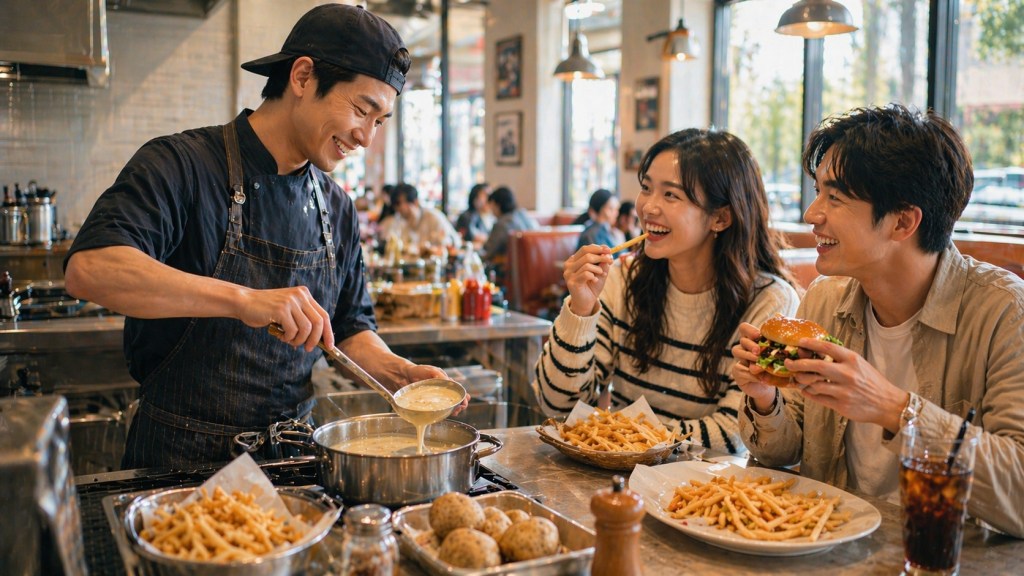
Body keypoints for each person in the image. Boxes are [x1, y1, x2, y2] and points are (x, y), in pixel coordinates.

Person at [62, 4, 458, 469]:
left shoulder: (337, 207)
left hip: (294, 462)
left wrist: (399, 374)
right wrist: (244, 299)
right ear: (303, 77)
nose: (366, 137)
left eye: (379, 121)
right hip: (178, 463)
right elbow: (91, 270)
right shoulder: (182, 164)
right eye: (361, 110)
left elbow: (349, 328)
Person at [730, 104, 1024, 537]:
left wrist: (893, 408)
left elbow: (1018, 489)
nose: (812, 214)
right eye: (817, 191)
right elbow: (781, 454)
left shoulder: (1002, 311)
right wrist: (763, 398)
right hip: (827, 546)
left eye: (835, 197)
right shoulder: (825, 300)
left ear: (903, 222)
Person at [533, 129, 800, 453]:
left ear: (720, 217)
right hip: (613, 483)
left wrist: (624, 437)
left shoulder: (770, 300)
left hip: (705, 490)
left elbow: (735, 433)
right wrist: (580, 310)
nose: (648, 207)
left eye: (671, 195)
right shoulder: (622, 278)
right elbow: (556, 406)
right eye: (646, 188)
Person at [481, 186, 538, 284]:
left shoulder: (502, 223)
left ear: (497, 205)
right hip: (534, 268)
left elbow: (488, 252)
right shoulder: (523, 214)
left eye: (492, 205)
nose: (491, 210)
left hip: (511, 273)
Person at [387, 182, 461, 250]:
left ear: (415, 202)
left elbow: (452, 243)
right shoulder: (399, 220)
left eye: (399, 203)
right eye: (395, 205)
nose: (398, 209)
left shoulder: (433, 217)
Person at [576, 188, 625, 253]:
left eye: (616, 209)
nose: (616, 213)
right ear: (597, 210)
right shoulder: (590, 235)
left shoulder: (611, 232)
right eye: (611, 209)